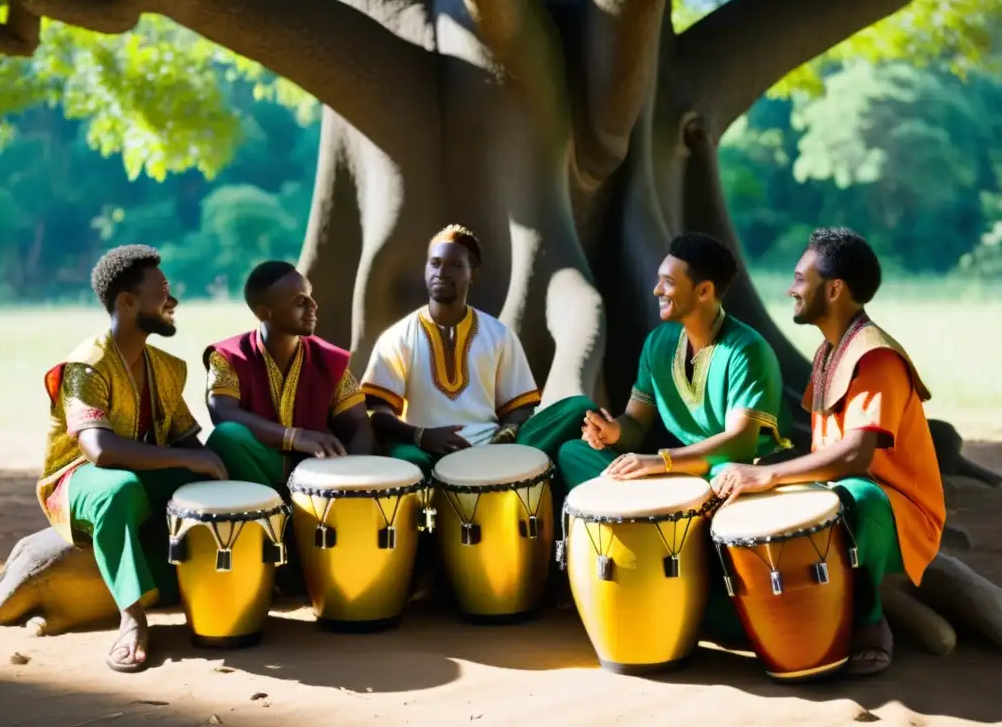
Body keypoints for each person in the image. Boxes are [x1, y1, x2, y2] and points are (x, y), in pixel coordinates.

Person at [709, 228, 945, 676]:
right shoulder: (828, 351)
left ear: (834, 289)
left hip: (895, 511)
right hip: (841, 494)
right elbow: (823, 448)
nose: (791, 288)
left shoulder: (876, 358)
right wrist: (759, 470)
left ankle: (871, 619)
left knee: (860, 495)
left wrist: (771, 477)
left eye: (801, 278)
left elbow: (855, 456)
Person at [40, 245, 228, 674]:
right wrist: (192, 464)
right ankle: (132, 619)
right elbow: (100, 452)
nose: (173, 300)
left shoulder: (164, 366)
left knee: (222, 458)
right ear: (127, 303)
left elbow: (184, 439)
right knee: (119, 489)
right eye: (162, 291)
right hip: (80, 478)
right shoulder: (85, 366)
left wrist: (219, 475)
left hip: (137, 472)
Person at [553, 232, 793, 490]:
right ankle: (649, 506)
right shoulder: (658, 343)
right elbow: (634, 424)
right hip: (679, 470)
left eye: (668, 282)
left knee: (725, 472)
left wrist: (660, 462)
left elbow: (738, 443)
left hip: (737, 471)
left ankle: (646, 506)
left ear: (703, 291)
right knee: (574, 452)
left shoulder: (747, 351)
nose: (657, 290)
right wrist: (612, 431)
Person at [360, 225, 588, 475]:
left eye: (454, 265)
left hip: (493, 451)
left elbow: (519, 406)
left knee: (578, 408)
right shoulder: (397, 337)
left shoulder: (498, 334)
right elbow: (376, 410)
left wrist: (507, 434)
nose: (441, 272)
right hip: (425, 451)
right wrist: (421, 436)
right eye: (434, 263)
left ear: (473, 275)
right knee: (407, 461)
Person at [204, 261, 375, 492]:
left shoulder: (328, 359)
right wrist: (295, 437)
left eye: (311, 297)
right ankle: (273, 513)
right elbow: (223, 412)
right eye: (300, 301)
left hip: (315, 471)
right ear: (265, 312)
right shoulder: (228, 356)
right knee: (227, 435)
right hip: (258, 466)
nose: (313, 306)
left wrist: (353, 474)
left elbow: (357, 422)